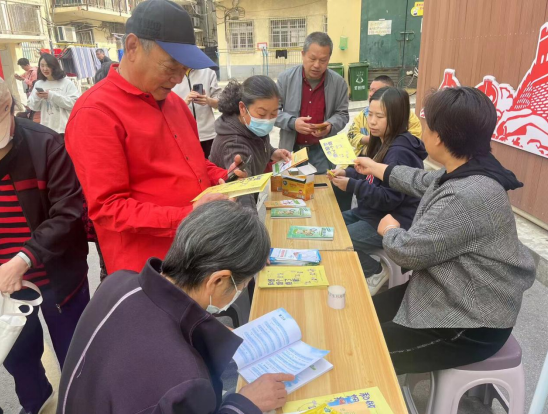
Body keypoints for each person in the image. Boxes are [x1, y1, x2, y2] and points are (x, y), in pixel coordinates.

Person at [354, 87, 536, 374]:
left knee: (363, 349)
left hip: (470, 321)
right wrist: (377, 168)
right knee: (362, 314)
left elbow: (408, 252)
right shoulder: (469, 168)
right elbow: (422, 180)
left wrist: (389, 230)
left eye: (426, 126)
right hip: (445, 292)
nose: (422, 132)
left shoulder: (468, 194)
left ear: (438, 137)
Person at [57, 200, 294, 414]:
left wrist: (202, 333)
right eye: (242, 285)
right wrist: (243, 404)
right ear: (218, 280)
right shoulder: (186, 384)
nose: (240, 290)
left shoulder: (117, 283)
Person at [65, 0, 245, 276]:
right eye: (170, 67)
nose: (177, 79)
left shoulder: (175, 104)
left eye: (184, 69)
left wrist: (225, 176)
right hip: (148, 270)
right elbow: (109, 208)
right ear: (133, 46)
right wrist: (187, 215)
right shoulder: (96, 112)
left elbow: (193, 164)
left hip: (195, 252)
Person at [0, 79, 89, 414]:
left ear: (7, 106)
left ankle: (80, 405)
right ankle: (37, 403)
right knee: (19, 359)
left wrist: (24, 258)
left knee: (76, 356)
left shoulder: (45, 144)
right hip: (5, 287)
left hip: (57, 275)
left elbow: (68, 212)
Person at [329, 87, 427, 295]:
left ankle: (374, 271)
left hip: (391, 219)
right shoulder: (380, 142)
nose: (372, 122)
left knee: (339, 239)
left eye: (379, 116)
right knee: (329, 228)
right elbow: (368, 175)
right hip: (371, 212)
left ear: (397, 117)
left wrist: (352, 185)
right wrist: (347, 172)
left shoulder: (400, 153)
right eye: (369, 114)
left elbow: (389, 199)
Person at [210, 76, 291, 208]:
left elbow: (257, 144)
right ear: (242, 108)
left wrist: (271, 153)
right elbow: (243, 196)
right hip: (228, 209)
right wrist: (252, 220)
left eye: (274, 113)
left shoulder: (251, 126)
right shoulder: (233, 145)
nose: (267, 120)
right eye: (262, 114)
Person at [275, 32, 349, 174]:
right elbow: (273, 113)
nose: (317, 65)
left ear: (329, 59)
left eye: (323, 60)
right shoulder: (285, 79)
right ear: (303, 54)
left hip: (322, 151)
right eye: (312, 58)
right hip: (291, 151)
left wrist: (330, 125)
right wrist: (292, 123)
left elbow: (343, 114)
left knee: (322, 186)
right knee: (292, 185)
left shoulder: (338, 83)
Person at [348, 75, 423, 156]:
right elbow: (351, 135)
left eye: (376, 91)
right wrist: (371, 139)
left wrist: (382, 139)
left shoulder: (407, 116)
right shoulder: (363, 113)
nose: (371, 94)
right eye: (370, 90)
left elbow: (413, 140)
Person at [173, 68, 222, 157]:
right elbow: (166, 108)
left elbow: (220, 104)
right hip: (182, 135)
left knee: (211, 164)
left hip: (208, 135)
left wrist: (208, 100)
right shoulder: (171, 74)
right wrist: (184, 103)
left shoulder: (208, 72)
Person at [27, 53, 80, 135]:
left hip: (64, 128)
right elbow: (34, 107)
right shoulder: (39, 84)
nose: (45, 69)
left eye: (48, 65)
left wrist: (51, 96)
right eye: (42, 65)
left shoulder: (66, 83)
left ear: (55, 66)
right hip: (47, 129)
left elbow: (74, 104)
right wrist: (37, 98)